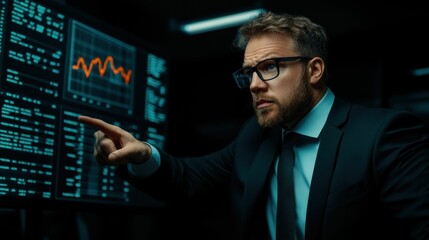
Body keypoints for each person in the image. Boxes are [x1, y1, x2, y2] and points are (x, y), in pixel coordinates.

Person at [78, 11, 429, 240]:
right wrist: (141, 156)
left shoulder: (385, 136)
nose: (255, 84)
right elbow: (188, 179)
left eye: (271, 66)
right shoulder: (255, 136)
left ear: (315, 70)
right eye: (249, 72)